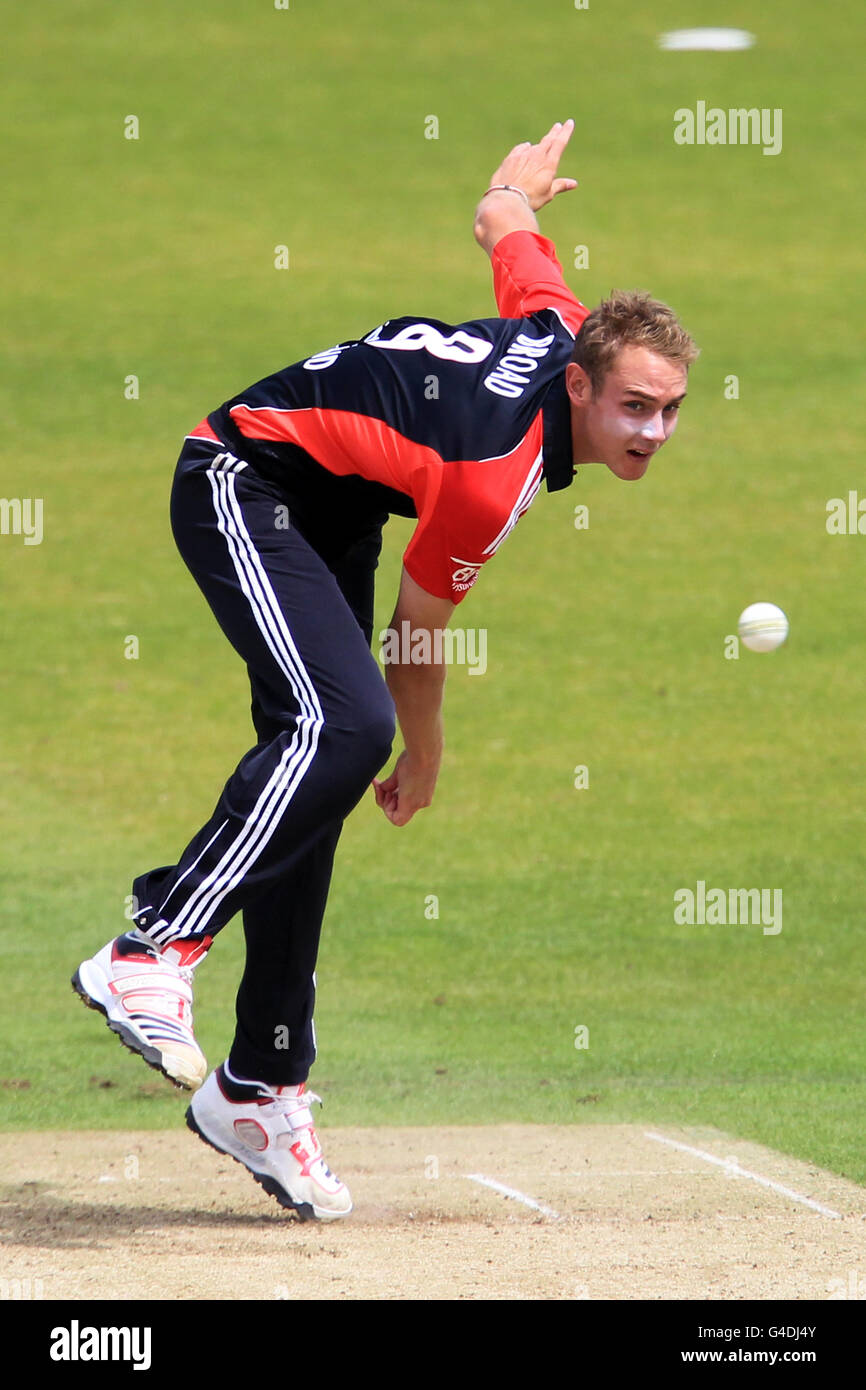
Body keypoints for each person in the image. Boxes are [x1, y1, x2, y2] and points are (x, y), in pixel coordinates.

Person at [72, 120, 698, 1221]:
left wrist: (521, 182)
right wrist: (427, 753)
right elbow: (415, 634)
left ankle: (260, 1082)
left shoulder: (557, 319)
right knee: (348, 731)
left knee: (311, 775)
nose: (651, 430)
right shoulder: (490, 474)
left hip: (335, 505)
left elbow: (500, 218)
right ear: (580, 389)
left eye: (669, 410)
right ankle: (153, 943)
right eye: (633, 407)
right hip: (243, 479)